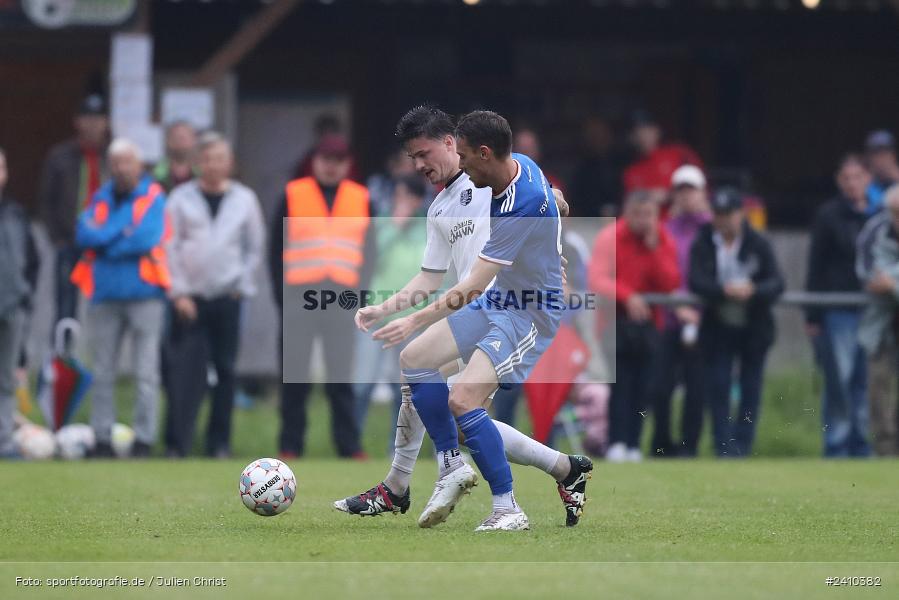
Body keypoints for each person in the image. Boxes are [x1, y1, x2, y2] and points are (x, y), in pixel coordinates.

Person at [334, 107, 590, 531]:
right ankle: (559, 469)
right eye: (412, 157)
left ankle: (494, 501)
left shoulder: (492, 179)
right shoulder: (441, 206)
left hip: (513, 309)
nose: (418, 165)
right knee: (419, 367)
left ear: (455, 145)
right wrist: (389, 307)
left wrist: (552, 243)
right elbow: (430, 275)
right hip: (480, 305)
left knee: (460, 406)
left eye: (423, 153)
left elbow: (547, 201)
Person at [162, 133, 265, 458]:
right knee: (183, 374)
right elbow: (168, 247)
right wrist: (178, 293)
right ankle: (177, 444)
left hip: (228, 297)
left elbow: (255, 247)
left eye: (220, 158)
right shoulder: (180, 198)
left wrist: (241, 287)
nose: (213, 165)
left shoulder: (244, 199)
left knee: (226, 372)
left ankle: (218, 443)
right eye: (206, 158)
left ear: (230, 163)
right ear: (196, 163)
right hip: (189, 300)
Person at [270, 134, 372, 459]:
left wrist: (362, 298)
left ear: (347, 164)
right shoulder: (293, 193)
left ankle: (349, 446)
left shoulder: (361, 197)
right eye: (326, 159)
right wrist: (281, 297)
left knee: (341, 378)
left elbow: (370, 253)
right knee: (294, 378)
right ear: (315, 161)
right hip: (299, 296)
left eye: (338, 160)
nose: (331, 166)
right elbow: (275, 250)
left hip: (342, 298)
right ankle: (290, 445)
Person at [71, 139, 169, 458]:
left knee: (145, 372)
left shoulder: (152, 196)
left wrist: (107, 242)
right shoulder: (99, 199)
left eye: (127, 161)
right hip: (104, 295)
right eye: (115, 162)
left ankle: (143, 439)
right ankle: (101, 438)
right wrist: (121, 231)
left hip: (145, 294)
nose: (121, 168)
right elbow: (84, 234)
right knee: (102, 371)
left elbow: (146, 237)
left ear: (139, 165)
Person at [690, 188, 784, 457]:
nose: (723, 220)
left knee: (750, 387)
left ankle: (743, 445)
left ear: (740, 214)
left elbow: (777, 282)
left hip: (754, 327)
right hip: (718, 326)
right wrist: (724, 291)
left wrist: (753, 290)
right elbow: (697, 280)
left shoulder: (759, 243)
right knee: (718, 385)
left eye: (728, 214)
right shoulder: (704, 241)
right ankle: (722, 445)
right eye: (718, 215)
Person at [588, 190, 681, 463]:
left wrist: (655, 249)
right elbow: (597, 280)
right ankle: (617, 442)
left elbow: (670, 282)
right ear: (627, 213)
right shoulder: (610, 237)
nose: (643, 220)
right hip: (614, 323)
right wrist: (628, 296)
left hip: (650, 326)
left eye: (649, 215)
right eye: (638, 214)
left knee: (646, 386)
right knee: (620, 386)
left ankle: (634, 444)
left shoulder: (662, 239)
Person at [806, 154, 873, 458]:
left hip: (873, 312)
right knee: (839, 383)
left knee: (863, 382)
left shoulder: (880, 215)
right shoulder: (828, 215)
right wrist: (812, 314)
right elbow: (815, 266)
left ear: (867, 180)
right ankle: (836, 446)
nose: (852, 183)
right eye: (846, 178)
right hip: (837, 311)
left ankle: (860, 444)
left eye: (857, 177)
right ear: (839, 181)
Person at [351, 174, 428, 436]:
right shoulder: (380, 224)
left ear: (418, 200)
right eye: (398, 196)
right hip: (377, 315)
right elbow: (372, 259)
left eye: (407, 197)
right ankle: (352, 444)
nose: (401, 202)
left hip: (411, 319)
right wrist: (395, 225)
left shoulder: (428, 228)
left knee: (405, 389)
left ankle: (399, 446)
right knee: (362, 382)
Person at [647, 165, 710, 457]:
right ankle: (661, 444)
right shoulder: (664, 229)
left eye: (691, 190)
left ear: (702, 193)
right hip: (668, 318)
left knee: (697, 388)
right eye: (681, 191)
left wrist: (697, 308)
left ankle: (689, 446)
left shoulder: (711, 228)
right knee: (661, 387)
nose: (686, 197)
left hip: (702, 319)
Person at [39, 93, 109, 326]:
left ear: (106, 122)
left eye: (98, 118)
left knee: (101, 306)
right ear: (77, 121)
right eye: (87, 118)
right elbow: (46, 200)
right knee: (65, 305)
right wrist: (56, 237)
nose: (92, 124)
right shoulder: (60, 156)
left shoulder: (112, 156)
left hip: (105, 243)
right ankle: (61, 357)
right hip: (69, 240)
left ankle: (95, 359)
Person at [0, 148, 39, 458]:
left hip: (12, 307)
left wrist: (25, 296)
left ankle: (2, 440)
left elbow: (32, 261)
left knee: (6, 378)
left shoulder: (16, 214)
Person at [856, 184, 899, 457]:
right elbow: (868, 275)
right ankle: (885, 454)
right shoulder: (874, 232)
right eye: (894, 213)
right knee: (878, 393)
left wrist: (892, 284)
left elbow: (886, 281)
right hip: (879, 326)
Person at [622, 110, 702, 206]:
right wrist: (649, 196)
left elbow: (701, 187)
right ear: (632, 137)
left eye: (647, 130)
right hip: (647, 219)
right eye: (638, 133)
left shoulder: (678, 153)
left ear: (657, 131)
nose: (642, 137)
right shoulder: (631, 172)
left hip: (680, 216)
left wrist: (669, 195)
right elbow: (628, 205)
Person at [568, 115, 625, 217]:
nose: (598, 140)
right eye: (593, 136)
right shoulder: (581, 171)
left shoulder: (622, 163)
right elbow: (577, 203)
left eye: (601, 135)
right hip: (591, 221)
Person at [153, 121, 197, 193]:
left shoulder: (202, 172)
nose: (180, 142)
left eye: (184, 138)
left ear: (194, 140)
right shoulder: (157, 174)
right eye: (176, 138)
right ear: (168, 141)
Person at [864, 130, 899, 212]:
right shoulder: (864, 183)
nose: (881, 159)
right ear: (869, 158)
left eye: (885, 153)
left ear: (893, 155)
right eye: (876, 154)